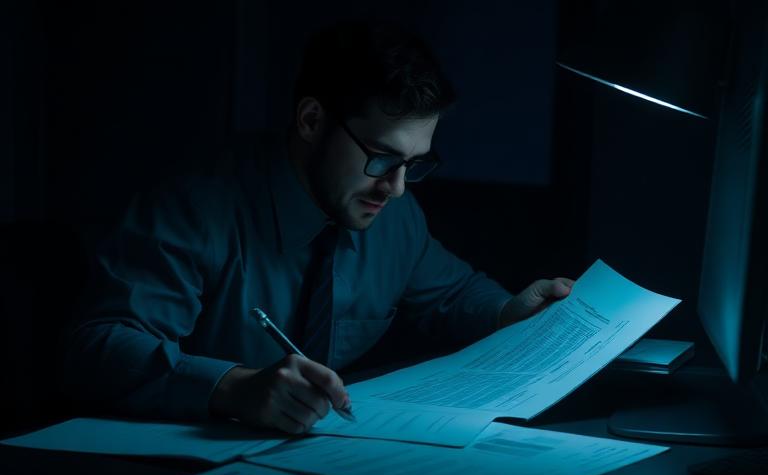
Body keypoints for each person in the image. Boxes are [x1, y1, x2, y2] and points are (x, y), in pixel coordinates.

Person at [63, 21, 573, 435]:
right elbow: (100, 345)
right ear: (310, 120)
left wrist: (509, 312)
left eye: (414, 164)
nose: (395, 188)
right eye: (381, 158)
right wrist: (232, 388)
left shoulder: (394, 214)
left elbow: (453, 292)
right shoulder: (195, 206)